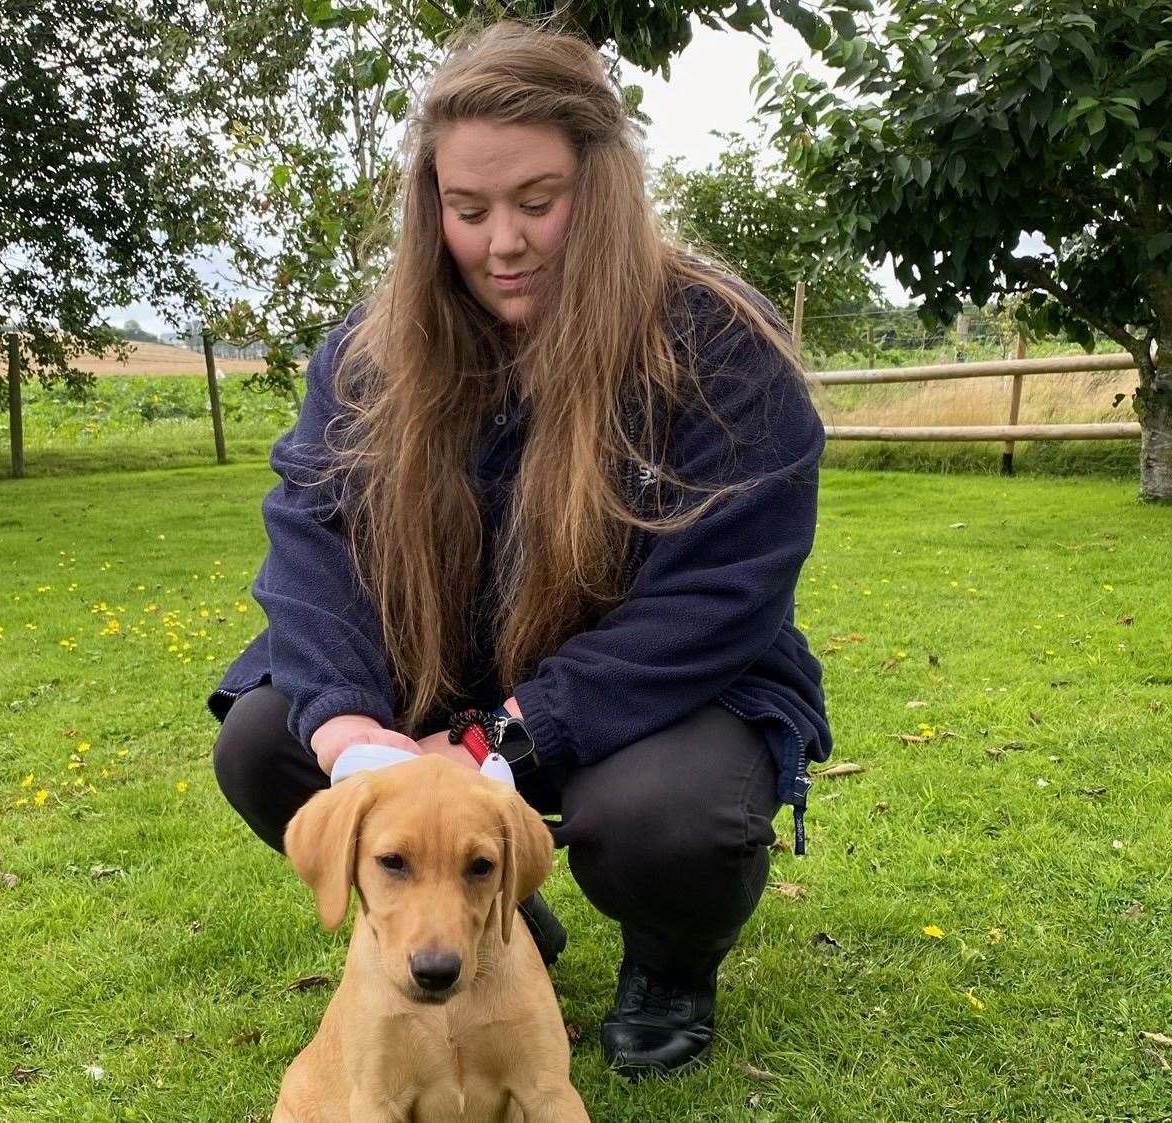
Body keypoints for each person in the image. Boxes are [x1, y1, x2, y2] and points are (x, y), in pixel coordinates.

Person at [209, 18, 831, 1080]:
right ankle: (492, 934)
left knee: (664, 818)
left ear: (604, 186)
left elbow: (723, 597)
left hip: (647, 695)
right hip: (437, 671)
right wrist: (355, 730)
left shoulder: (720, 344)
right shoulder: (368, 352)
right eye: (469, 209)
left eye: (540, 203)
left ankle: (672, 963)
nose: (504, 241)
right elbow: (313, 534)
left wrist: (509, 732)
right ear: (431, 209)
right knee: (270, 736)